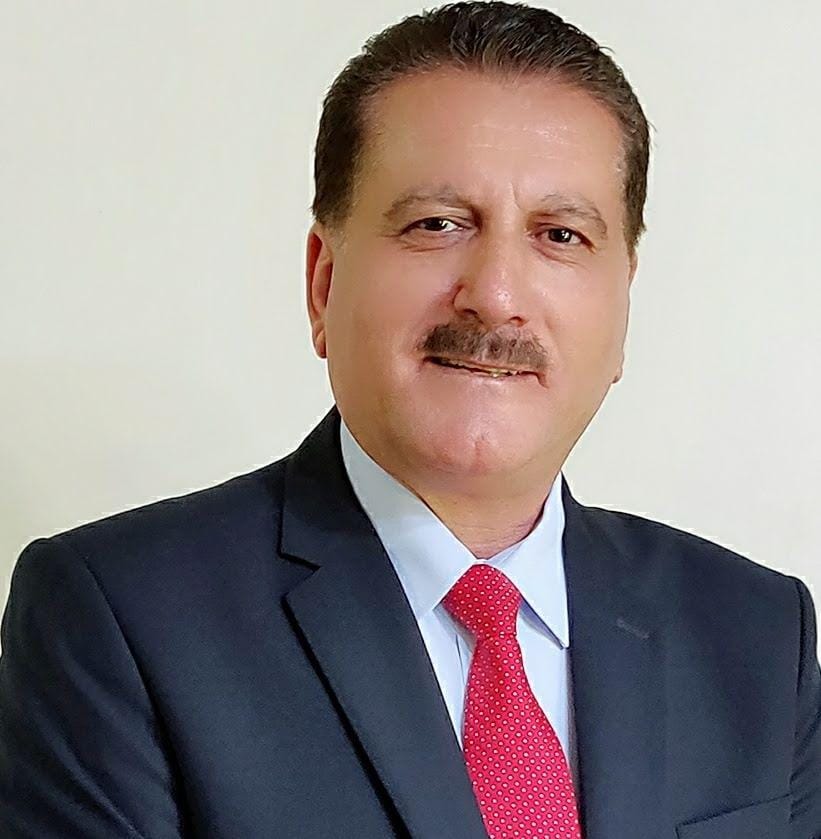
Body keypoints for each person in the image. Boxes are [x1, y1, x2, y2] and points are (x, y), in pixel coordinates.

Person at [1, 2, 819, 837]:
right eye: (437, 224)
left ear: (622, 303)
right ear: (323, 283)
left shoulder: (757, 635)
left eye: (560, 234)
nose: (495, 294)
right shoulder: (120, 618)